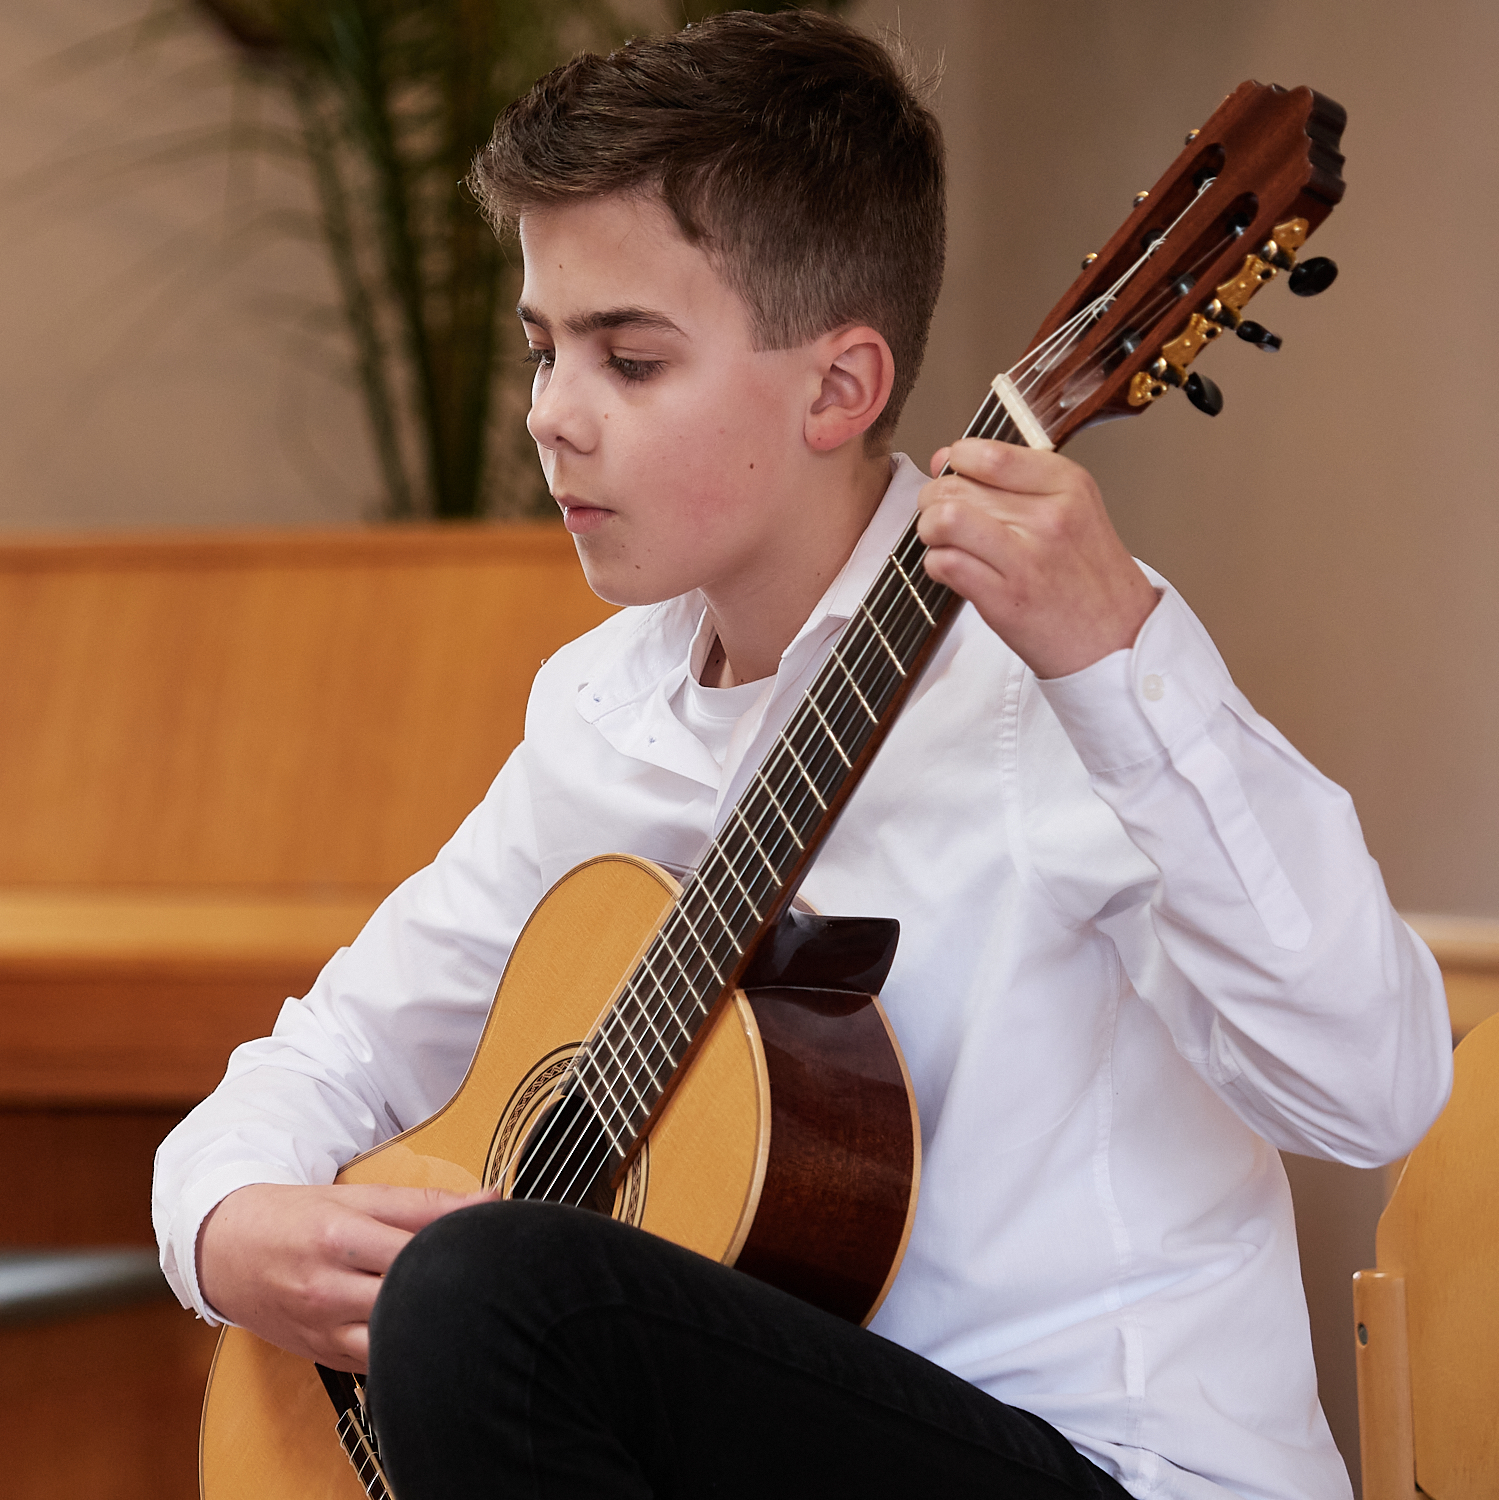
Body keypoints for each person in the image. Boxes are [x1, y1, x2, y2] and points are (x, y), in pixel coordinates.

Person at [153, 12, 1451, 1498]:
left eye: (629, 360)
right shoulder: (601, 709)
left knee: (488, 1295)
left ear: (839, 389)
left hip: (1114, 1466)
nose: (550, 417)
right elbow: (338, 1048)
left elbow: (1377, 1091)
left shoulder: (1054, 686)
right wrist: (225, 1225)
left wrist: (1119, 661)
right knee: (486, 1287)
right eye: (543, 350)